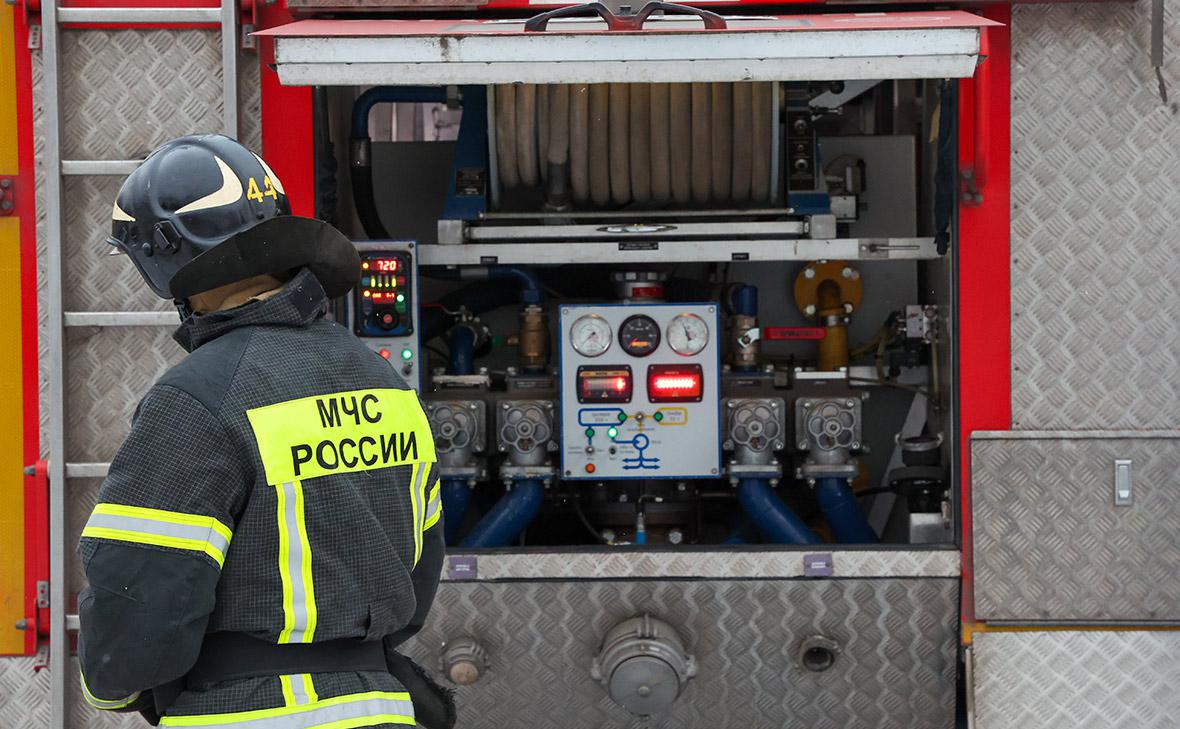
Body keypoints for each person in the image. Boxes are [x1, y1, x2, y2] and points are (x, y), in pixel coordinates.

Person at [76, 134, 452, 728]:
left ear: (163, 261)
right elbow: (420, 568)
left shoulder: (197, 399)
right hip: (380, 707)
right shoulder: (386, 386)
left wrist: (114, 688)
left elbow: (139, 595)